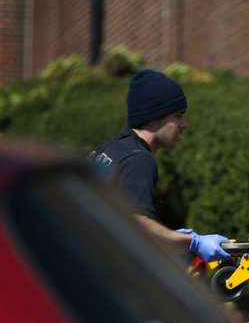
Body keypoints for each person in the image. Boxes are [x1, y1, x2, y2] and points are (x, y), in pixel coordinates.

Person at [89, 69, 231, 263]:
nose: (184, 124)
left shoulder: (111, 149)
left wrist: (170, 236)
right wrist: (192, 242)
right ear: (155, 116)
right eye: (178, 115)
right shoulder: (139, 160)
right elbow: (138, 226)